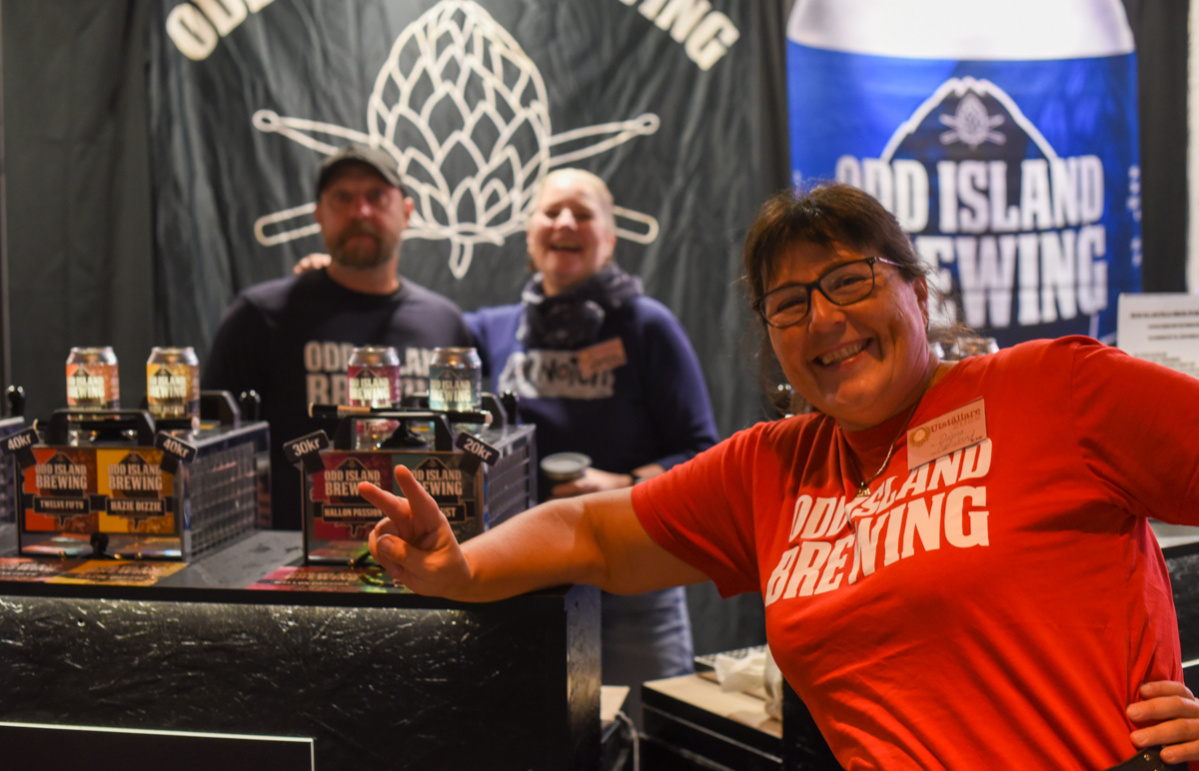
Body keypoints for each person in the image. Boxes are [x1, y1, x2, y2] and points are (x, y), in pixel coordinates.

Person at [361, 181, 1199, 769]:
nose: (823, 319)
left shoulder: (1051, 388)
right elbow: (593, 534)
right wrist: (459, 568)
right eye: (788, 304)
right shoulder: (772, 466)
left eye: (849, 281)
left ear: (916, 292)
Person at [465, 168, 720, 721]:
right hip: (528, 586)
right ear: (530, 234)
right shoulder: (490, 331)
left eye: (583, 214)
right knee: (537, 742)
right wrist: (328, 279)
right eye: (551, 211)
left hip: (635, 587)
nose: (565, 223)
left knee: (644, 736)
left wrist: (621, 485)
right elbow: (402, 326)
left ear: (609, 237)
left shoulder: (646, 325)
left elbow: (702, 455)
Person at [203, 143, 471, 530]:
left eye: (376, 196)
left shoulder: (445, 324)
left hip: (424, 548)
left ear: (407, 212)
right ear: (319, 215)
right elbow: (211, 441)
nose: (360, 212)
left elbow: (469, 445)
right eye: (342, 197)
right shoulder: (260, 315)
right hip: (294, 553)